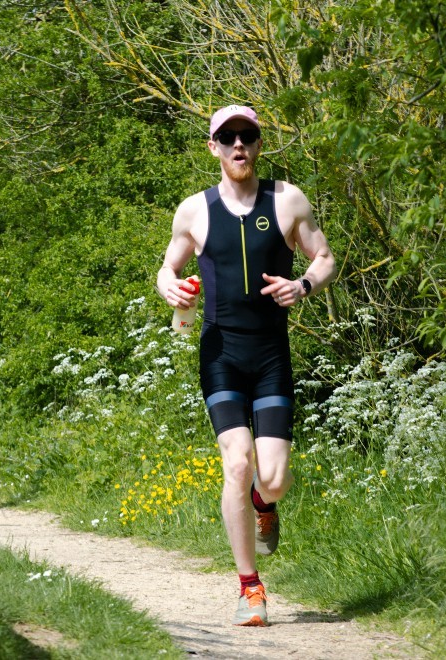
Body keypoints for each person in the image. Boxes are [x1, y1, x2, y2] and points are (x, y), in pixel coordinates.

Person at [157, 105, 336, 626]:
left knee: (272, 479)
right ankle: (250, 588)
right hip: (221, 355)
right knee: (236, 463)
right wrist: (171, 289)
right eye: (228, 137)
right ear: (213, 146)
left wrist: (302, 285)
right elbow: (168, 267)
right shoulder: (194, 210)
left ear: (259, 144)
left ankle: (264, 503)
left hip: (271, 354)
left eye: (247, 136)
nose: (239, 144)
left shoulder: (288, 200)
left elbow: (324, 258)